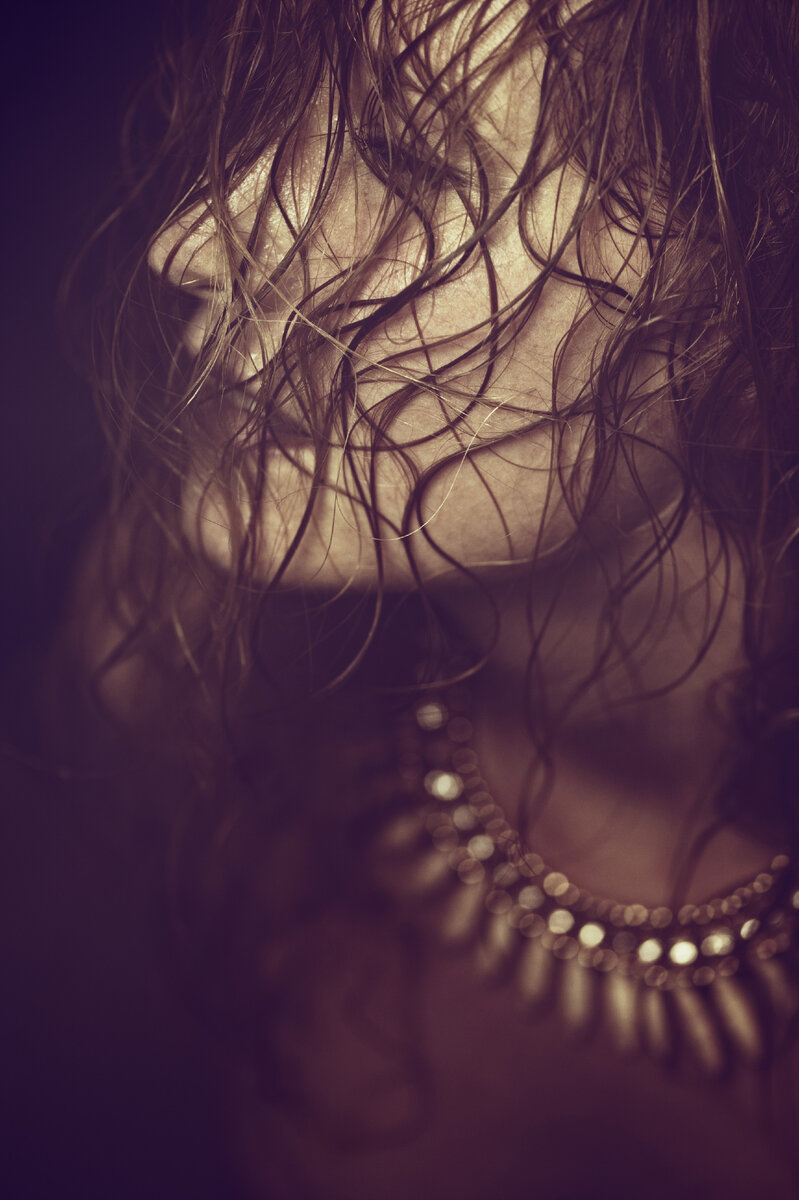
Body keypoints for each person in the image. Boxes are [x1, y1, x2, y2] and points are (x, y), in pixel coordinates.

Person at [58, 0, 799, 1196]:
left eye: (406, 163)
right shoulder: (177, 653)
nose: (196, 241)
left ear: (765, 289)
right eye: (269, 120)